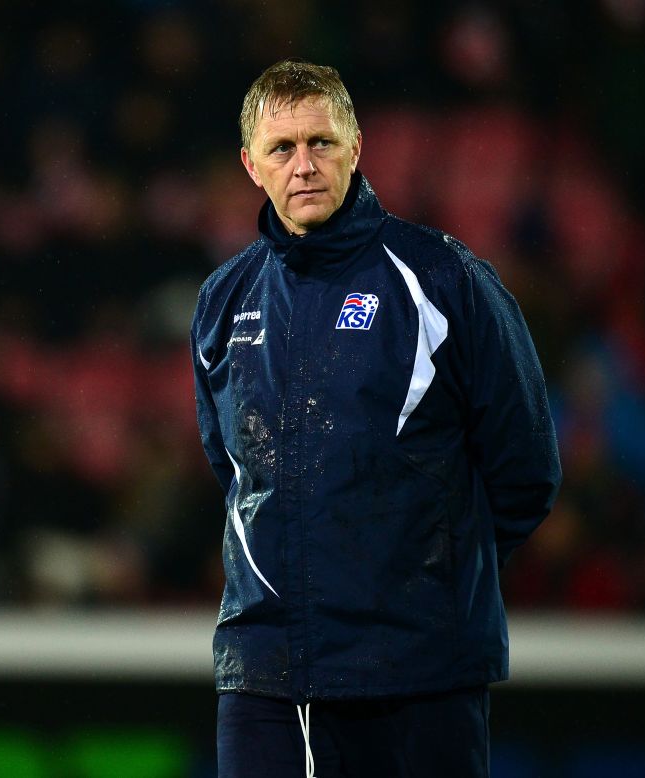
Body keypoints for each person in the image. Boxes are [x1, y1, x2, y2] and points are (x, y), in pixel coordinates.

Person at [191, 59, 561, 777]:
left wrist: (428, 582)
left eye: (321, 142)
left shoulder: (444, 280)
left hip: (418, 667)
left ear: (355, 148)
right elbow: (233, 467)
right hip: (265, 667)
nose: (303, 164)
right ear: (249, 165)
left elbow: (525, 468)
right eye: (281, 148)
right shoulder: (221, 301)